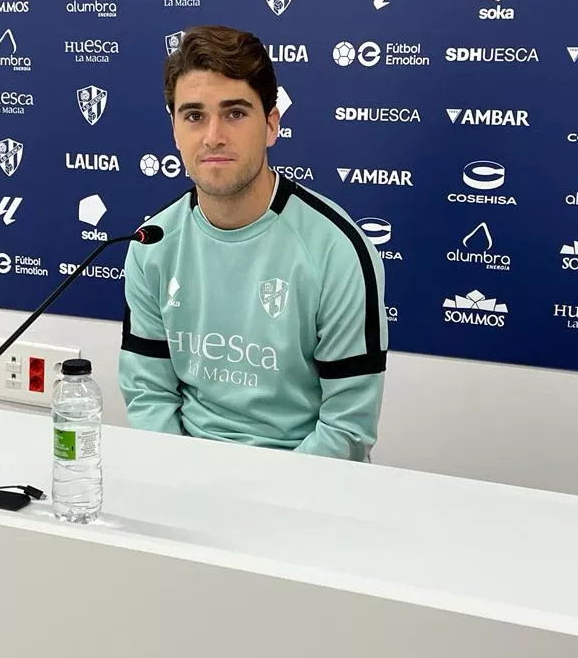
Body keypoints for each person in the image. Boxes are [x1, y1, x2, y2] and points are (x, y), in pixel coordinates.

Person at [117, 24, 387, 462]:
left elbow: (346, 428)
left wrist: (259, 500)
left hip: (300, 489)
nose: (213, 136)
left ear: (271, 125)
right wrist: (183, 478)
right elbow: (148, 395)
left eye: (235, 113)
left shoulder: (338, 250)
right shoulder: (153, 243)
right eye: (194, 116)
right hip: (185, 476)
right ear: (174, 130)